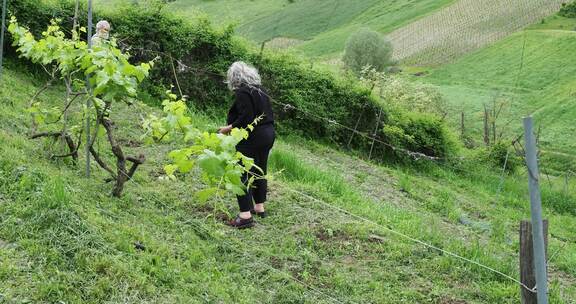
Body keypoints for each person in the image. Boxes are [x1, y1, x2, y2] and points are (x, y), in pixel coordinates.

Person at [219, 61, 275, 229]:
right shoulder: (261, 90)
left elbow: (246, 118)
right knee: (259, 169)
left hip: (253, 136)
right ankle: (259, 207)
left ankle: (245, 215)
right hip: (268, 134)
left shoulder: (243, 92)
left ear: (234, 78)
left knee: (241, 171)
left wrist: (227, 129)